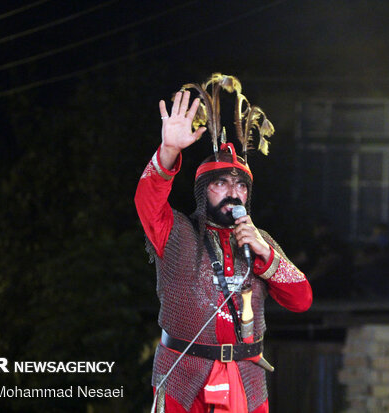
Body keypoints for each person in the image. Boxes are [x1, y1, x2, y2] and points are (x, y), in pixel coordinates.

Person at [135, 75, 312, 413]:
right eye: (221, 183)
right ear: (204, 190)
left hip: (245, 378)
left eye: (240, 186)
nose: (234, 193)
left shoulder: (261, 243)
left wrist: (267, 256)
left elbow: (302, 300)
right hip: (184, 377)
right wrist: (169, 150)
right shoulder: (177, 233)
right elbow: (147, 201)